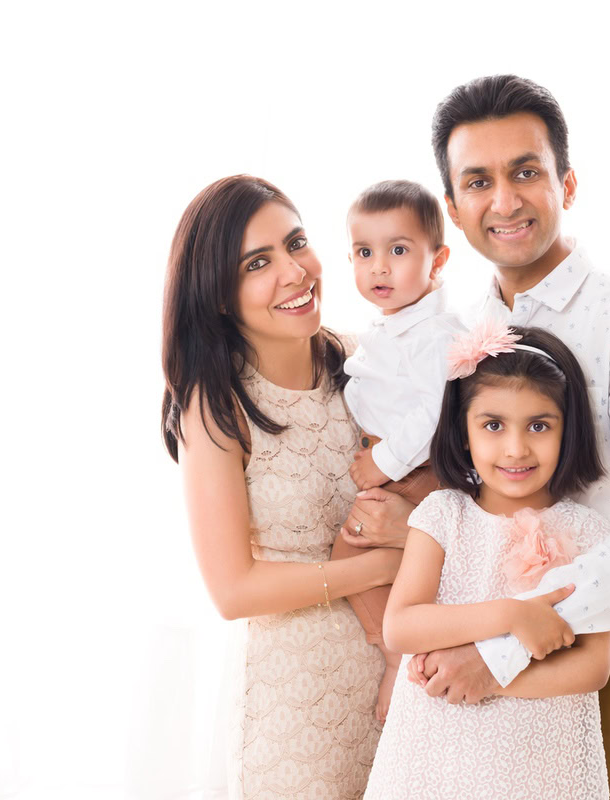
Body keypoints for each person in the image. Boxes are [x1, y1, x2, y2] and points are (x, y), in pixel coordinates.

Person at [404, 75, 610, 800]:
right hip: (465, 703)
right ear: (453, 208)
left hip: (604, 669)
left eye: (526, 172)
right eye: (479, 181)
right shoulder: (458, 337)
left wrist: (500, 653)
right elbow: (452, 493)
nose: (504, 201)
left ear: (566, 182)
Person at [160, 175, 405, 799]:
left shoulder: (370, 363)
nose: (294, 271)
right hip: (298, 715)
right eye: (258, 263)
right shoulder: (215, 407)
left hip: (410, 690)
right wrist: (377, 566)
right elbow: (233, 589)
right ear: (218, 295)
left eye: (296, 244)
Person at [363, 322, 610, 799]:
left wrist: (493, 679)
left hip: (542, 762)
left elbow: (593, 667)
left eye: (539, 425)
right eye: (493, 425)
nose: (516, 448)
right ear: (463, 433)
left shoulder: (587, 533)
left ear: (569, 430)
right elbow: (402, 626)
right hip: (439, 754)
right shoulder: (443, 515)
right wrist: (511, 613)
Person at [329, 179, 467, 724]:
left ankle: (399, 658)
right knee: (371, 564)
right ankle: (401, 648)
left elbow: (435, 413)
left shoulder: (436, 333)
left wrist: (382, 462)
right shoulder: (391, 327)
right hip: (394, 467)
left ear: (439, 260)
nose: (379, 268)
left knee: (357, 556)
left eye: (398, 251)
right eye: (365, 253)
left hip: (419, 471)